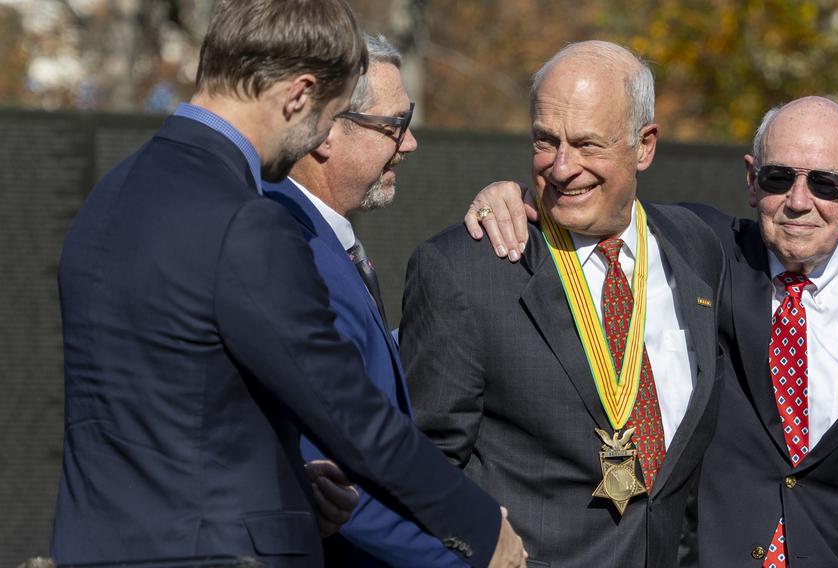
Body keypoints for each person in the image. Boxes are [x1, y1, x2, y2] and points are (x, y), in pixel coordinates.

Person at [49, 1, 525, 566]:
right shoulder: (244, 221)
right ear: (298, 95)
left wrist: (297, 488)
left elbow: (170, 411)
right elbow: (349, 413)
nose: (320, 135)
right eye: (328, 111)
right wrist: (481, 532)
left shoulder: (110, 197)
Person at [467, 96, 838, 566]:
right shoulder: (699, 251)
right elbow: (597, 206)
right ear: (751, 181)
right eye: (778, 178)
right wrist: (514, 194)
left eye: (824, 184)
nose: (798, 203)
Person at [399, 41, 726, 567]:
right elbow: (423, 465)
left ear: (645, 145)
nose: (561, 167)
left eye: (588, 144)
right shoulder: (467, 269)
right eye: (545, 141)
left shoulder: (697, 246)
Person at [263, 34, 465, 567]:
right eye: (394, 125)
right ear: (326, 131)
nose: (410, 142)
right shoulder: (286, 251)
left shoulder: (323, 237)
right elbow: (336, 482)